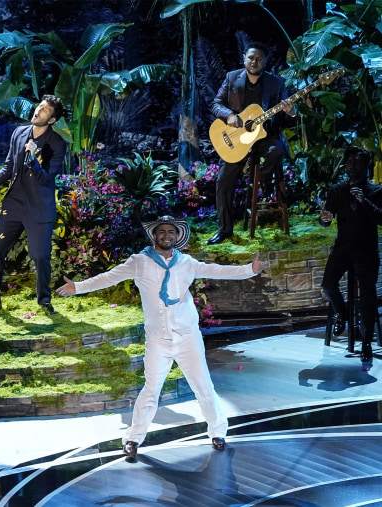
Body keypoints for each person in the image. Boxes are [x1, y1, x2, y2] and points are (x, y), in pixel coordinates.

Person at [56, 216, 264, 461]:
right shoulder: (140, 262)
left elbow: (217, 270)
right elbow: (109, 277)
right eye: (162, 231)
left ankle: (218, 432)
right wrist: (78, 287)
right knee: (151, 389)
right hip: (158, 340)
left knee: (204, 386)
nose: (167, 235)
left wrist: (249, 270)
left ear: (177, 236)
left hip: (187, 337)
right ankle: (133, 439)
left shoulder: (186, 262)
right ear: (155, 235)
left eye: (172, 232)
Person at [0, 95, 67, 316]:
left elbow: (47, 178)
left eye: (45, 110)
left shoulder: (57, 144)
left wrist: (34, 158)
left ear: (52, 120)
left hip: (38, 208)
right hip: (14, 204)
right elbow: (8, 168)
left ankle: (44, 300)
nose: (38, 111)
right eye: (39, 107)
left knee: (39, 256)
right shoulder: (19, 133)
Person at [207, 42, 296, 245]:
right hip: (236, 139)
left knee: (276, 152)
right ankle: (224, 230)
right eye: (251, 58)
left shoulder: (276, 83)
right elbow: (215, 104)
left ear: (265, 62)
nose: (254, 62)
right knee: (223, 182)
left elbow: (283, 120)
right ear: (244, 59)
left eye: (258, 59)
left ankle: (264, 181)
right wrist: (228, 115)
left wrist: (291, 112)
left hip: (265, 137)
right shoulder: (231, 78)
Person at [319, 147, 382, 370]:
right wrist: (324, 219)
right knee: (327, 284)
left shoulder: (376, 190)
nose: (352, 168)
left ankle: (366, 342)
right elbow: (326, 218)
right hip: (343, 247)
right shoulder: (337, 190)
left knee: (367, 292)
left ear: (367, 167)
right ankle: (342, 313)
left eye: (357, 163)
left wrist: (364, 200)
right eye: (349, 163)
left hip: (366, 248)